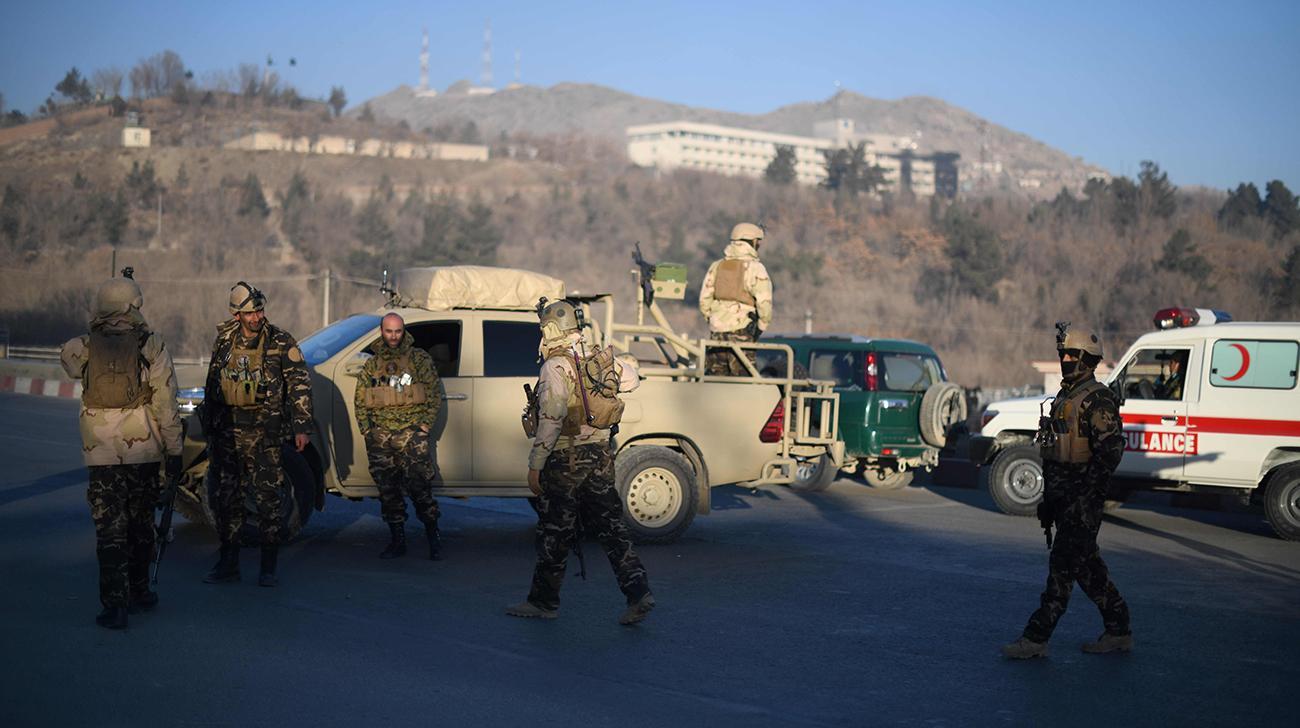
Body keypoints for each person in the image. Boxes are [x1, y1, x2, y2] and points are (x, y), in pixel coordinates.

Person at [506, 299, 655, 625]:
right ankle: (639, 592)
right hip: (601, 454)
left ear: (550, 329)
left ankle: (543, 602)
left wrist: (536, 464)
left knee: (554, 533)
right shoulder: (596, 357)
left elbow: (551, 419)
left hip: (565, 459)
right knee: (611, 528)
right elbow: (632, 381)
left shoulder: (554, 367)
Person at [60, 276, 183, 630]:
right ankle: (141, 592)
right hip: (143, 449)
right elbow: (165, 402)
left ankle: (115, 606)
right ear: (134, 305)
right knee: (141, 524)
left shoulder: (82, 346)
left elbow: (68, 364)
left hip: (100, 454)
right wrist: (173, 450)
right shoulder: (151, 344)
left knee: (109, 530)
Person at [1003, 323, 1132, 659]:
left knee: (1061, 572)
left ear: (1088, 359)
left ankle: (1036, 638)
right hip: (1063, 500)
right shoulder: (1065, 396)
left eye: (1073, 354)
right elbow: (1055, 453)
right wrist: (1050, 500)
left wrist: (1087, 500)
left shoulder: (1098, 399)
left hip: (1081, 503)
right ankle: (1119, 629)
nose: (1066, 359)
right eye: (1063, 354)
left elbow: (1110, 454)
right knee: (1088, 570)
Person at [201, 282, 313, 588]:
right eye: (251, 312)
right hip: (228, 434)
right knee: (228, 499)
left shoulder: (280, 341)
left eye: (260, 310)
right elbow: (213, 383)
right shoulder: (224, 341)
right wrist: (208, 423)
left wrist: (302, 426)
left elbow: (299, 384)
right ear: (237, 314)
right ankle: (229, 562)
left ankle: (268, 566)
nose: (258, 317)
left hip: (265, 433)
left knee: (267, 500)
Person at [354, 313, 443, 560]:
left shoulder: (418, 358)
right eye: (389, 331)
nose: (393, 336)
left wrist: (424, 427)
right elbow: (360, 399)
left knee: (420, 488)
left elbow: (434, 394)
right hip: (381, 437)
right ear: (382, 331)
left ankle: (433, 538)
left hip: (410, 434)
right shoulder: (372, 364)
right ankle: (397, 541)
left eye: (397, 331)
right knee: (388, 491)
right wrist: (367, 431)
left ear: (403, 331)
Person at [698, 222, 773, 376]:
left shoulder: (717, 266)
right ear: (752, 243)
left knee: (714, 384)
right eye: (757, 242)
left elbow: (704, 302)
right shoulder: (755, 268)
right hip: (742, 333)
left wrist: (715, 320)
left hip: (716, 335)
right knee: (744, 386)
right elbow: (765, 305)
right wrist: (759, 328)